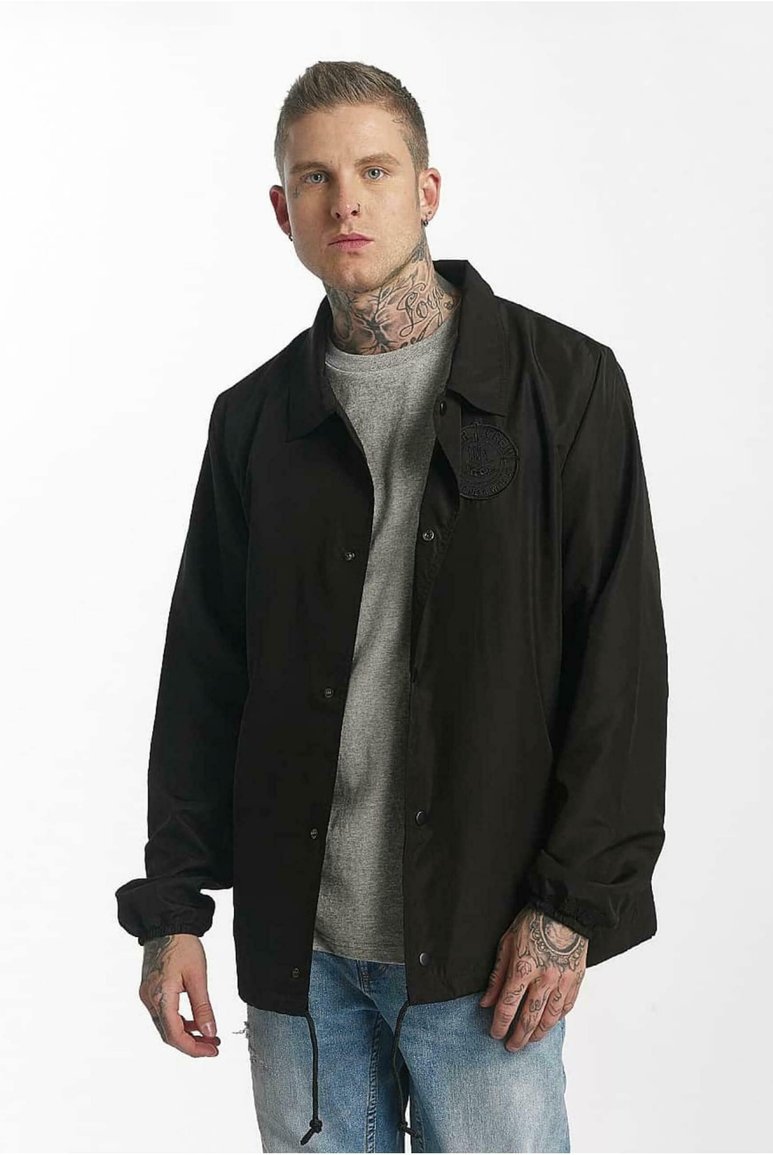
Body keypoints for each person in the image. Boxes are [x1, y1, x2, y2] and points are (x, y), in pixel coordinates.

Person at [116, 60, 669, 1154]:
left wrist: (571, 906)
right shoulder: (254, 421)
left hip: (485, 948)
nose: (345, 202)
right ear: (282, 211)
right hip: (301, 960)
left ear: (426, 189)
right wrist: (172, 909)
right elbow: (204, 675)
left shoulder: (564, 387)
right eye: (314, 178)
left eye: (373, 170)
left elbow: (621, 665)